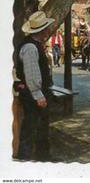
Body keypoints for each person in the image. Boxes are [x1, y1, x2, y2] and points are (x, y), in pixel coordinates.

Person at [14, 11, 55, 160]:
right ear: (42, 30)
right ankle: (24, 159)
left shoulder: (33, 44)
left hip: (36, 93)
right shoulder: (31, 48)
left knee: (40, 127)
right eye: (46, 28)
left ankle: (42, 157)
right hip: (34, 95)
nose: (48, 30)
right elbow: (32, 75)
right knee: (31, 127)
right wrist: (38, 95)